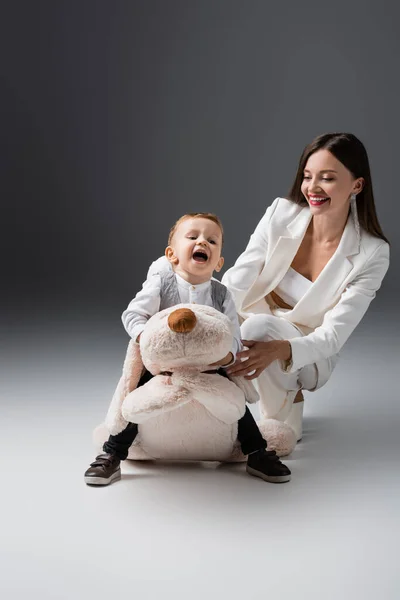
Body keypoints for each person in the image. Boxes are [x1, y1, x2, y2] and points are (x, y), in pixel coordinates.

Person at [84, 213, 291, 486]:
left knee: (237, 401)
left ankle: (256, 452)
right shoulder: (161, 284)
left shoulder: (221, 294)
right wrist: (148, 338)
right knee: (135, 396)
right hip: (164, 365)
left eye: (211, 240)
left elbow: (232, 332)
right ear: (172, 254)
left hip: (208, 366)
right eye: (192, 237)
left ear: (218, 262)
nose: (202, 242)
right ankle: (112, 454)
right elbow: (132, 315)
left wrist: (227, 355)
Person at [222, 133, 390, 443]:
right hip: (250, 331)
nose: (312, 187)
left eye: (327, 178)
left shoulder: (372, 252)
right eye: (307, 176)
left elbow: (333, 336)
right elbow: (239, 278)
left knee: (261, 326)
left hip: (310, 352)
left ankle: (273, 421)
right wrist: (208, 318)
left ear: (357, 185)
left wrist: (283, 348)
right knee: (227, 324)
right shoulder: (280, 213)